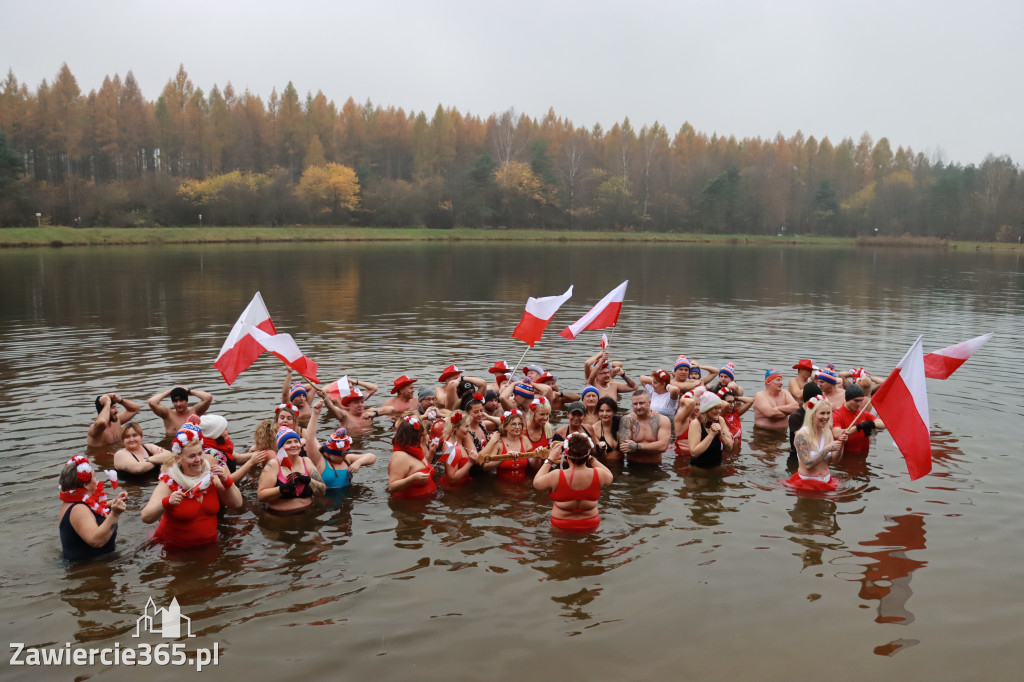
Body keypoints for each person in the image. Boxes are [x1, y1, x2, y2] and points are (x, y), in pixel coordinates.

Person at [141, 422, 243, 547]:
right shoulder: (169, 482)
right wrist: (167, 502)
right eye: (192, 456)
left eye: (200, 454)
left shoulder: (210, 477)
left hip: (209, 546)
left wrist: (226, 481)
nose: (198, 459)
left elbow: (237, 503)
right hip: (173, 550)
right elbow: (146, 517)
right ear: (179, 459)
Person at [532, 433, 614, 532]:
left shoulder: (556, 475)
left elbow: (536, 483)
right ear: (588, 453)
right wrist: (590, 458)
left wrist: (550, 460)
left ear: (566, 454)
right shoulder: (600, 474)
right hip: (591, 526)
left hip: (561, 527)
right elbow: (610, 476)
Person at [58, 455, 128, 561]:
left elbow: (95, 508)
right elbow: (97, 541)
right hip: (87, 571)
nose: (97, 479)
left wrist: (114, 502)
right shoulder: (78, 509)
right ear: (86, 484)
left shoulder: (76, 501)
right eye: (95, 476)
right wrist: (114, 514)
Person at [305, 400, 377, 490]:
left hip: (346, 499)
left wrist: (358, 462)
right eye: (341, 456)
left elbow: (372, 457)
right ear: (330, 453)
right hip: (327, 500)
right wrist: (315, 414)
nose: (344, 457)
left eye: (345, 454)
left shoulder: (347, 459)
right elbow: (310, 439)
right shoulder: (319, 460)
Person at [784, 396, 848, 491]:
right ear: (812, 414)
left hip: (827, 482)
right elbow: (807, 464)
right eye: (822, 413)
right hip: (806, 484)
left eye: (828, 413)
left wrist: (841, 444)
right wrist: (827, 449)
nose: (826, 417)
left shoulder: (828, 433)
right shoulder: (801, 436)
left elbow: (834, 460)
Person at [257, 427, 327, 513]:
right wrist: (282, 489)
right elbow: (261, 496)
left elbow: (322, 491)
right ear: (281, 447)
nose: (294, 445)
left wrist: (307, 480)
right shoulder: (273, 465)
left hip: (307, 513)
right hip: (280, 517)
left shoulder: (306, 461)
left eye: (296, 441)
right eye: (288, 442)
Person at [200, 414, 267, 482]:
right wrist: (251, 462)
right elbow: (228, 479)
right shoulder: (214, 454)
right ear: (215, 434)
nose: (228, 431)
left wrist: (261, 453)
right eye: (225, 429)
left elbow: (238, 458)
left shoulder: (215, 444)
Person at [479, 409, 538, 483]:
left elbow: (534, 465)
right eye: (513, 424)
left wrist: (537, 456)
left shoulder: (524, 439)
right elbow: (486, 467)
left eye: (520, 424)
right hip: (503, 486)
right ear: (505, 427)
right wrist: (505, 457)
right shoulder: (499, 442)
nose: (517, 427)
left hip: (523, 484)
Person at [387, 415, 438, 498]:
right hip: (410, 506)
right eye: (420, 435)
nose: (423, 437)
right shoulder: (400, 457)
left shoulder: (416, 449)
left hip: (426, 502)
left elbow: (422, 467)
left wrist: (431, 454)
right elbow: (392, 487)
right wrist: (412, 478)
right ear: (413, 438)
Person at [618, 389, 672, 464]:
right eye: (635, 404)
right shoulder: (627, 420)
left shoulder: (662, 420)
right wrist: (653, 447)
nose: (638, 407)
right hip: (632, 465)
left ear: (649, 403)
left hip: (655, 465)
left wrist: (637, 446)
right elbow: (625, 447)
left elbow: (663, 446)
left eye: (641, 403)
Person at [831, 384, 885, 454]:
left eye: (861, 400)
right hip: (845, 455)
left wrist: (872, 424)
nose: (859, 404)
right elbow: (836, 434)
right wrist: (857, 427)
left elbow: (884, 424)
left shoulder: (863, 414)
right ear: (847, 399)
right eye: (856, 401)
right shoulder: (837, 415)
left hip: (863, 455)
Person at [688, 392, 734, 469]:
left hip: (716, 467)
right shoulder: (696, 423)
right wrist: (711, 435)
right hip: (699, 470)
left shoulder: (720, 420)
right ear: (707, 409)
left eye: (720, 408)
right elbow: (694, 453)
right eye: (716, 408)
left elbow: (730, 447)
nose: (719, 411)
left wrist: (721, 434)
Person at [147, 385, 214, 435]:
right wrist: (170, 391)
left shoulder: (195, 412)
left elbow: (208, 397)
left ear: (186, 400)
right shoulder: (167, 415)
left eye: (181, 400)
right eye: (175, 401)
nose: (178, 404)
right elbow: (151, 402)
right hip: (173, 445)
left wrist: (188, 391)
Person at [438, 411, 478, 487]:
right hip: (455, 489)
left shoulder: (460, 441)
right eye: (466, 426)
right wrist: (470, 462)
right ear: (455, 427)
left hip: (464, 485)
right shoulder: (451, 447)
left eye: (469, 426)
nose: (469, 430)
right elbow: (452, 478)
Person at [789, 382, 823, 466]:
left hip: (817, 455)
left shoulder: (819, 414)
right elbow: (802, 441)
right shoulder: (796, 416)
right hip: (797, 458)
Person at [718, 388, 754, 453]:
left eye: (733, 402)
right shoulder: (719, 417)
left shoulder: (735, 413)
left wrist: (736, 397)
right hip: (724, 454)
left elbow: (751, 401)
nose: (732, 405)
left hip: (736, 452)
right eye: (729, 402)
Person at [672, 391, 699, 457]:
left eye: (699, 404)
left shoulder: (700, 420)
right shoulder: (682, 420)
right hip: (682, 456)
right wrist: (686, 396)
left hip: (697, 457)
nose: (698, 408)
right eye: (695, 405)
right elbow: (690, 403)